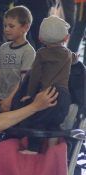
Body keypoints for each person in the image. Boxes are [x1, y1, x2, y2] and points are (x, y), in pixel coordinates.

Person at [14, 15, 77, 151]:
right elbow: (75, 60)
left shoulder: (41, 54)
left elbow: (34, 76)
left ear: (41, 39)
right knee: (54, 122)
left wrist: (30, 94)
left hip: (46, 94)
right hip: (64, 96)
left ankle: (33, 149)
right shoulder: (67, 54)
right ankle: (52, 149)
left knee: (37, 121)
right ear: (66, 38)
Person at [0, 5, 35, 114]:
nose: (6, 29)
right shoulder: (4, 47)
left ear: (25, 27)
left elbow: (23, 80)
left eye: (11, 26)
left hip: (16, 101)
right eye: (5, 26)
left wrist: (9, 100)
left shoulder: (28, 51)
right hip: (0, 97)